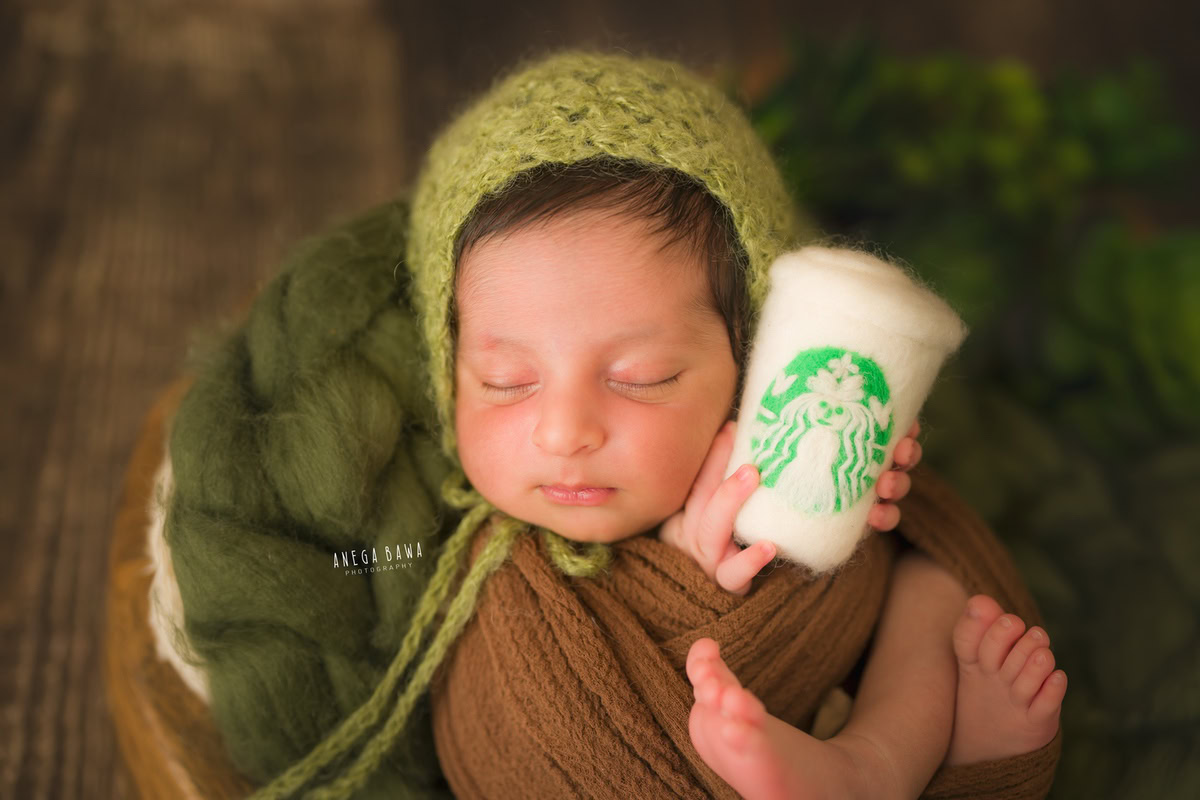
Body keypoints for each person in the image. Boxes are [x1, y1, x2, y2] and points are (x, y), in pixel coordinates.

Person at [449, 158, 1066, 799]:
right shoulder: (475, 571)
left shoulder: (757, 462)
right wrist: (680, 577)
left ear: (753, 365)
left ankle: (881, 760)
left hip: (842, 706)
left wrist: (824, 495)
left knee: (934, 577)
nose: (564, 432)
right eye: (506, 381)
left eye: (641, 377)